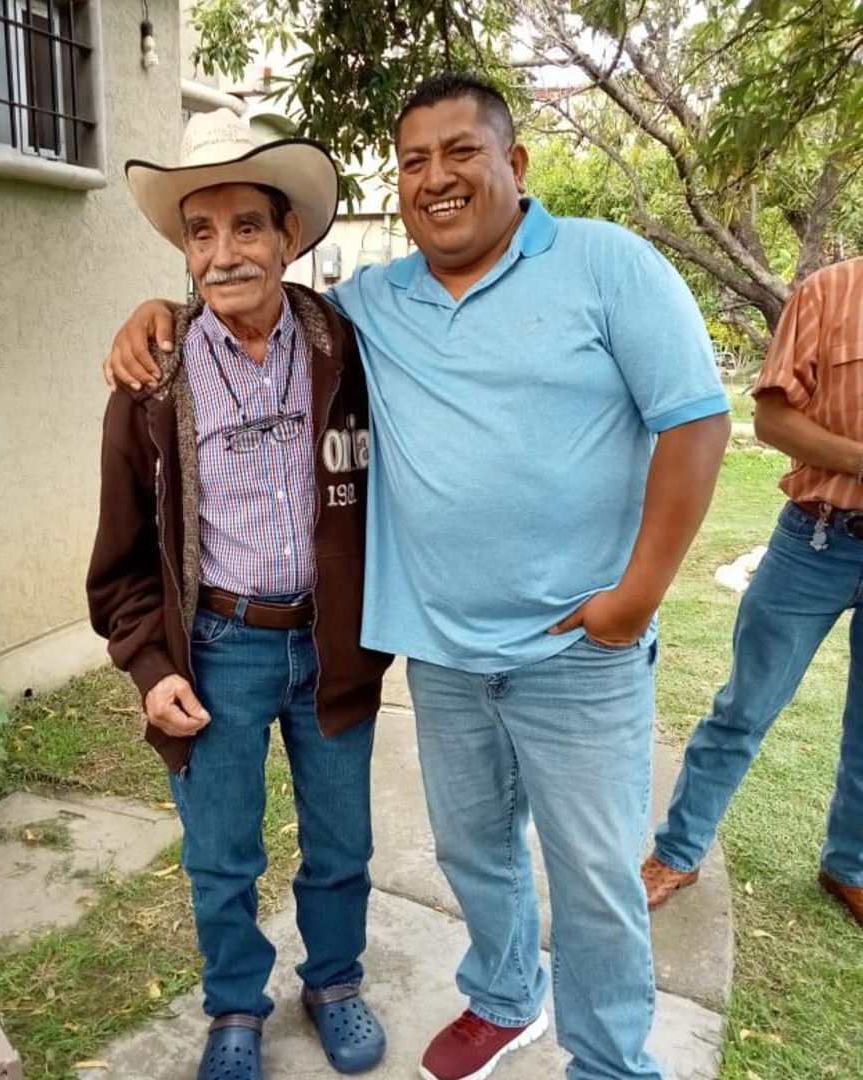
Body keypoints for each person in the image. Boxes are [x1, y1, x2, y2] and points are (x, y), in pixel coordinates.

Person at [106, 74, 731, 1080]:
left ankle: (601, 1060)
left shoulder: (584, 268)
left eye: (461, 152)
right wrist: (155, 315)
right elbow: (135, 528)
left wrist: (635, 599)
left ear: (514, 163)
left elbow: (696, 422)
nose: (436, 177)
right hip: (409, 652)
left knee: (584, 874)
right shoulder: (347, 316)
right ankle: (484, 998)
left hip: (553, 648)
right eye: (414, 161)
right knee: (453, 852)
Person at [87, 108, 391, 1080]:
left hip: (333, 643)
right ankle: (234, 1009)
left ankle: (334, 982)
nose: (224, 254)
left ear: (288, 236)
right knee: (221, 855)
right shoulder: (152, 380)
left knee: (341, 841)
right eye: (200, 233)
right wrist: (149, 666)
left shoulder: (350, 349)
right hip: (219, 648)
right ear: (185, 251)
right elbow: (123, 557)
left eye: (246, 227)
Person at [642, 258, 863, 926]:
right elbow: (772, 420)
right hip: (818, 539)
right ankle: (678, 852)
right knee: (745, 706)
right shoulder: (830, 292)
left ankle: (848, 866)